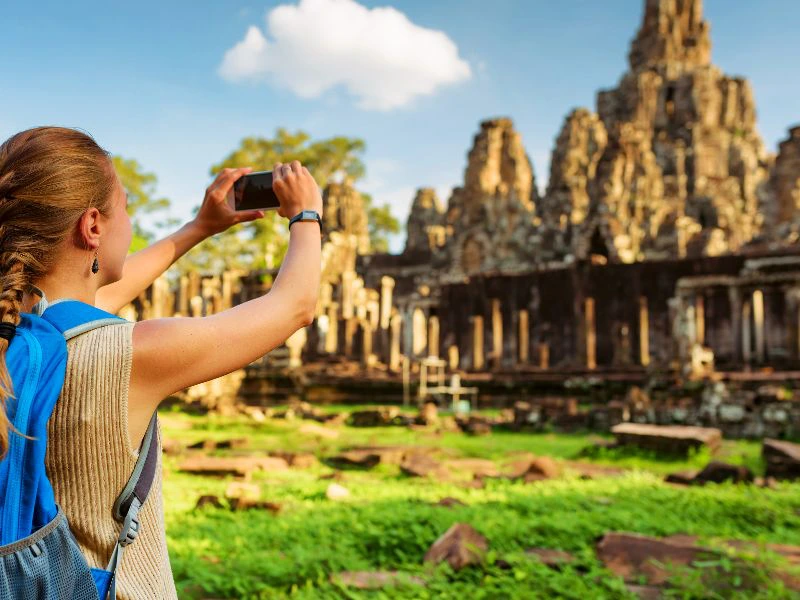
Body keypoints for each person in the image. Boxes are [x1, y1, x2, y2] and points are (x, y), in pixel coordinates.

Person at [0, 126, 322, 598]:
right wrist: (306, 213)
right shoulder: (134, 355)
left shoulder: (17, 336)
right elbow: (295, 305)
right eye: (125, 207)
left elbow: (93, 301)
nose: (130, 223)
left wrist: (199, 228)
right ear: (93, 226)